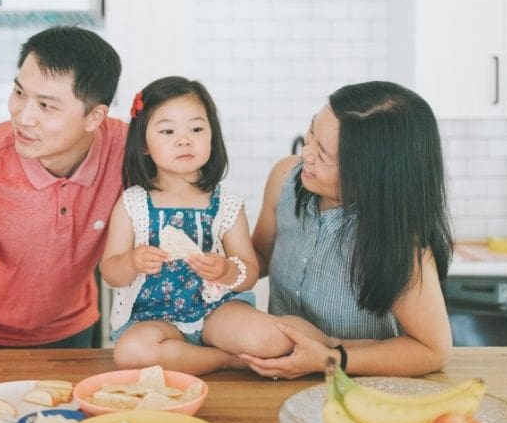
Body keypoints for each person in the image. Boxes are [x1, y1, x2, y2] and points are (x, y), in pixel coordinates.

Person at [0, 26, 125, 349]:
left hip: (72, 333)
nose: (23, 117)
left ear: (95, 117)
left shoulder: (126, 150)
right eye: (18, 93)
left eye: (46, 106)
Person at [100, 76, 321, 376]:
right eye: (167, 131)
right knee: (130, 352)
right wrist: (131, 261)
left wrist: (227, 271)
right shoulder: (133, 203)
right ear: (143, 145)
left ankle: (333, 346)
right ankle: (227, 360)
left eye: (197, 128)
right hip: (155, 319)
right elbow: (110, 271)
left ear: (212, 137)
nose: (184, 139)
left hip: (219, 311)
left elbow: (250, 270)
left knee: (274, 338)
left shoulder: (226, 203)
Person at [242, 80, 454, 379]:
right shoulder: (285, 179)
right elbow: (260, 256)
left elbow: (433, 350)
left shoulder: (397, 243)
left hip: (359, 389)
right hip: (276, 379)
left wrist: (330, 360)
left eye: (324, 155)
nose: (307, 154)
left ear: (372, 175)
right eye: (312, 133)